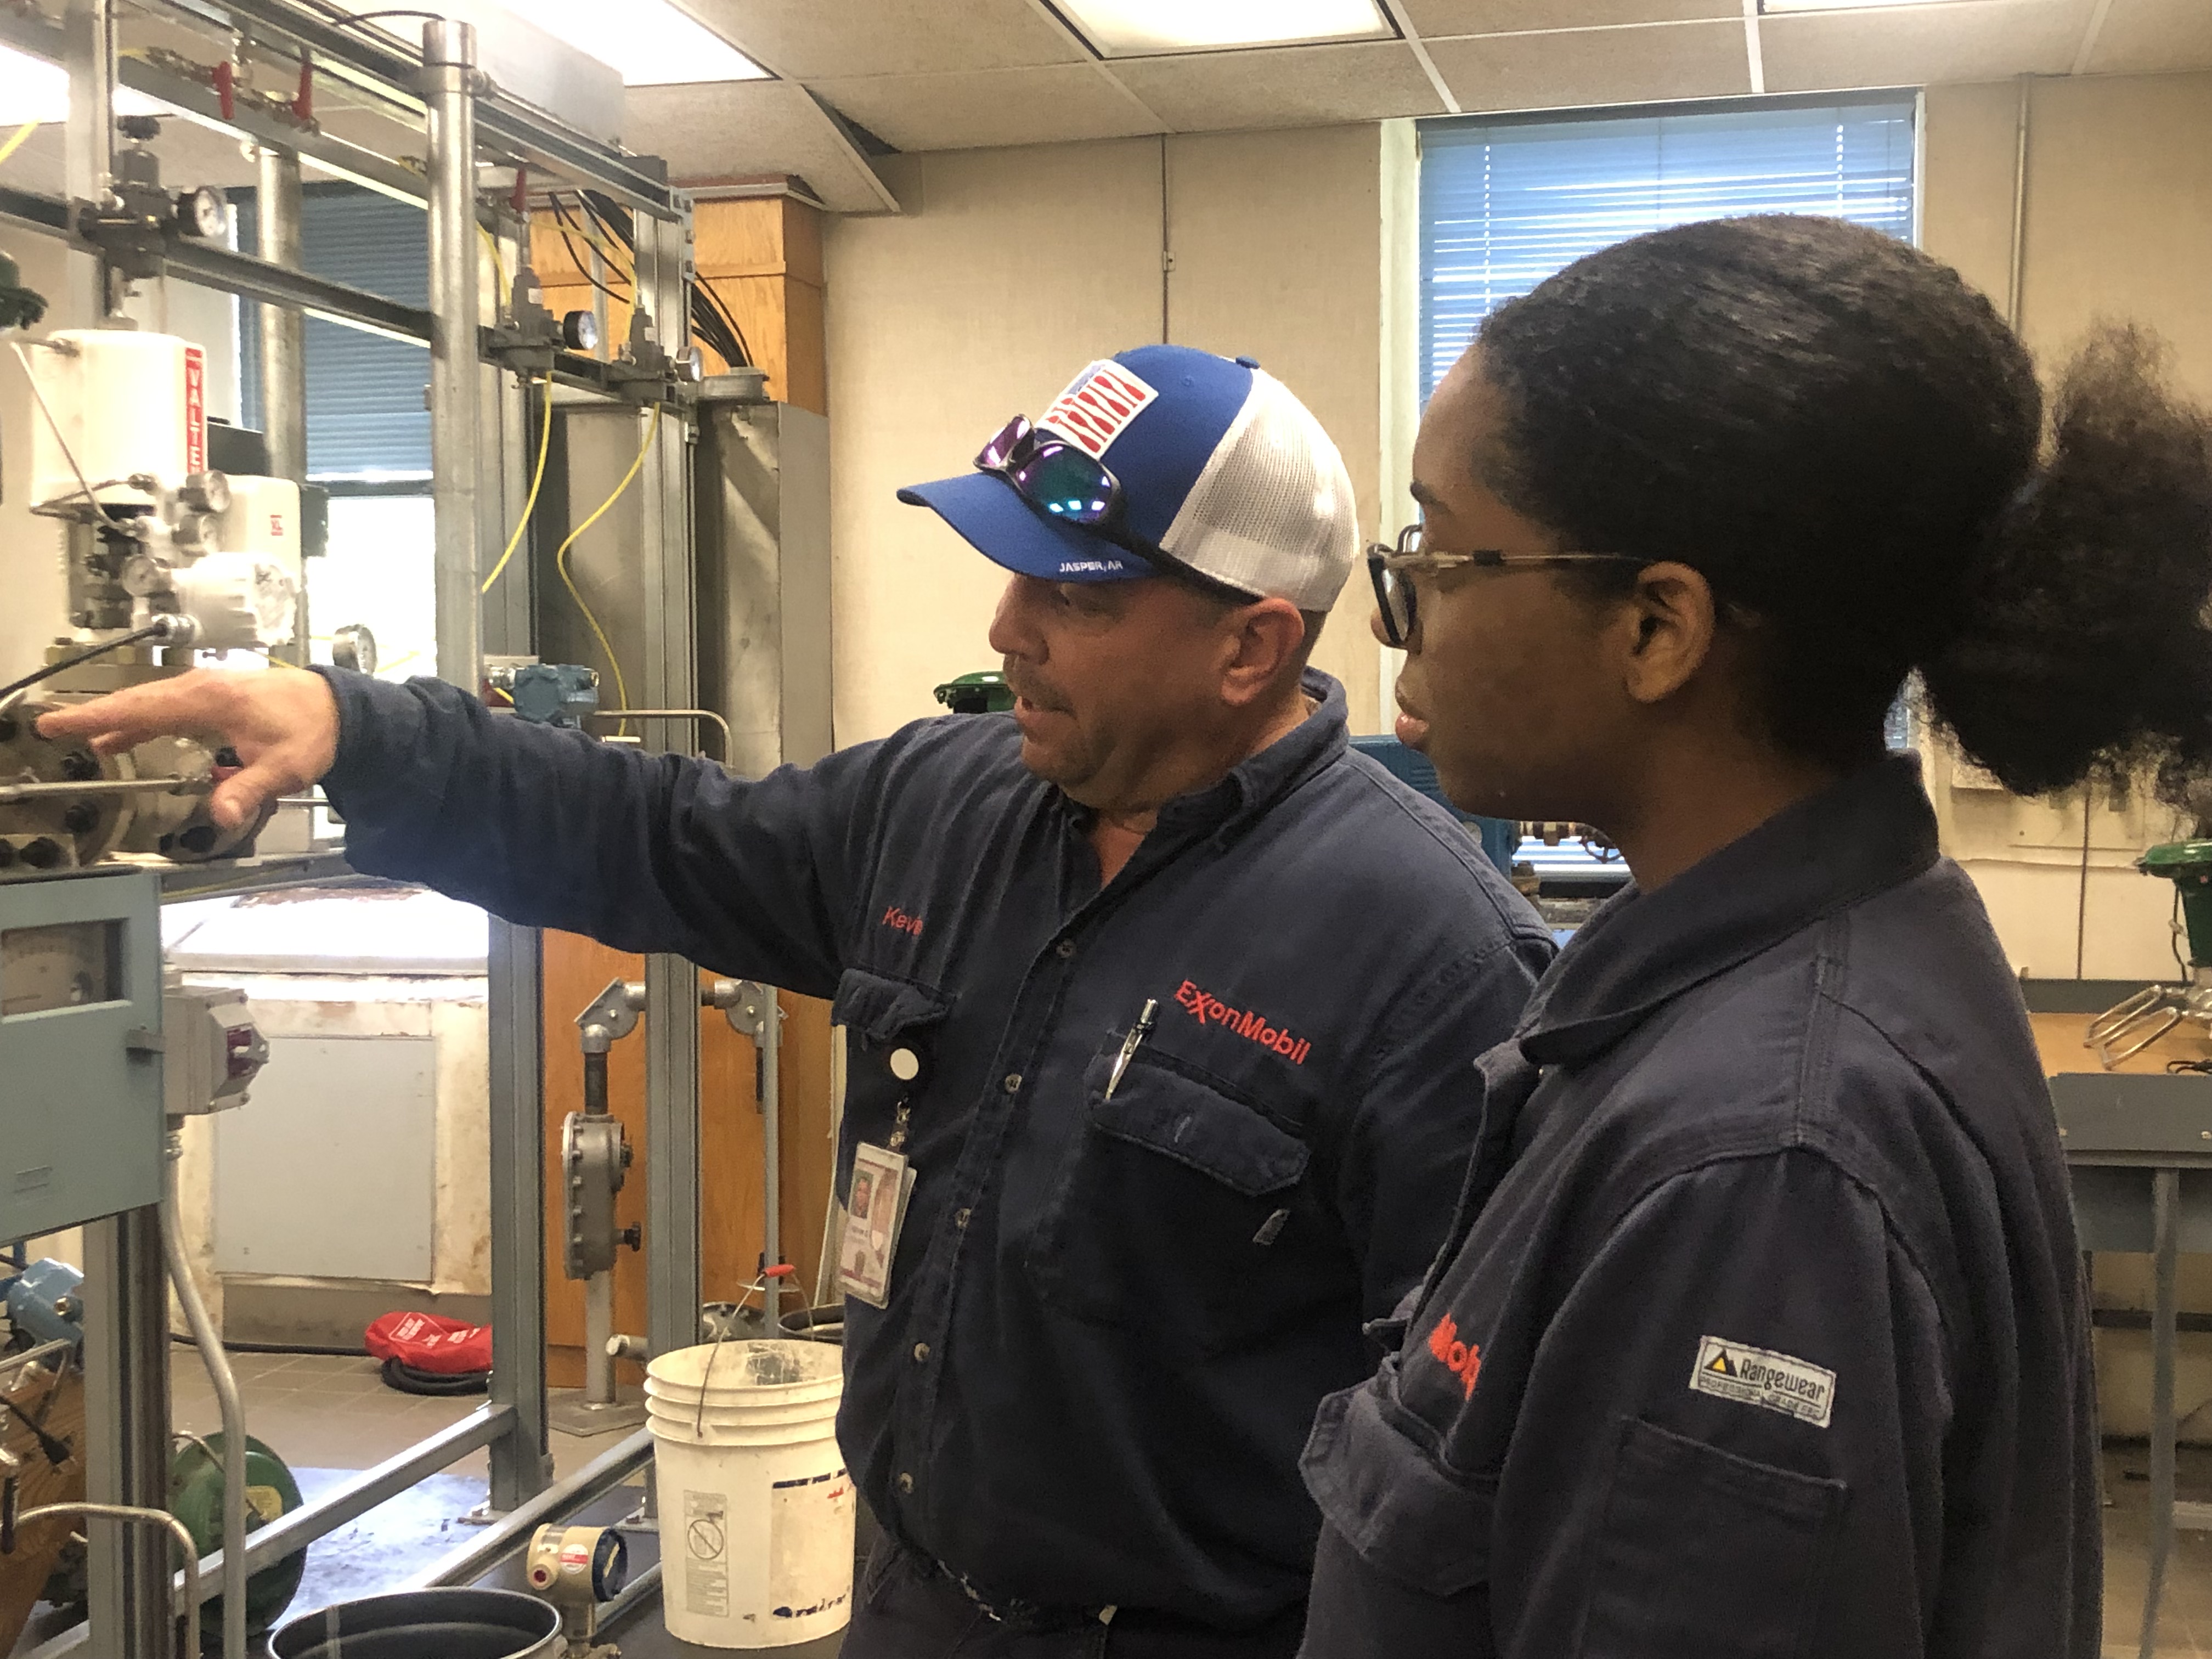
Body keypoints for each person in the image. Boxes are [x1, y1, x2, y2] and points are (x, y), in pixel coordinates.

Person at [48, 345, 1554, 1656]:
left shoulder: (1429, 957)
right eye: (1010, 573)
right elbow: (653, 831)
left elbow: (1472, 1468)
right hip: (911, 1605)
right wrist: (356, 731)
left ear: (1251, 644)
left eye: (1071, 594)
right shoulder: (943, 804)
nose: (1007, 627)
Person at [1297, 214, 2212, 1657]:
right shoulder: (1802, 958)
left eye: (1446, 558)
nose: (1405, 623)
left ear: (1656, 628)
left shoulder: (1758, 1163)